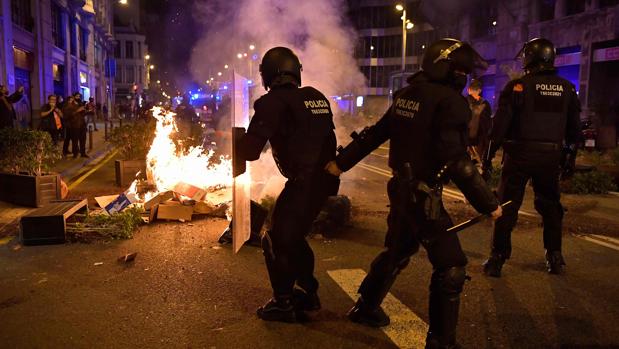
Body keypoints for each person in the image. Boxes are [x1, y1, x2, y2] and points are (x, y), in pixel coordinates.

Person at [325, 38, 502, 348]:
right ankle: (440, 342)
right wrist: (489, 204)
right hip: (423, 196)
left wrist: (340, 164)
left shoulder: (408, 95)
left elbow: (374, 135)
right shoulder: (450, 103)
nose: (465, 78)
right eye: (461, 71)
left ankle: (365, 306)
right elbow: (458, 163)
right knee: (451, 267)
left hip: (401, 189)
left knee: (398, 250)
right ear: (446, 69)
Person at [234, 47, 340, 323]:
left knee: (274, 238)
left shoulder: (272, 102)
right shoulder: (316, 97)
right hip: (325, 181)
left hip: (303, 183)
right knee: (293, 237)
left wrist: (237, 140)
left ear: (269, 74)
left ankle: (283, 303)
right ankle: (308, 292)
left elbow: (250, 151)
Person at [481, 38, 581, 277]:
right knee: (551, 208)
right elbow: (574, 131)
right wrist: (569, 160)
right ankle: (555, 257)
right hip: (550, 157)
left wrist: (487, 157)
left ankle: (497, 258)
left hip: (519, 156)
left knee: (507, 207)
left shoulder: (518, 87)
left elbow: (500, 127)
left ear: (530, 58)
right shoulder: (567, 89)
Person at [466, 79, 492, 170]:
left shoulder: (464, 102)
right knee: (477, 162)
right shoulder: (485, 104)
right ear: (479, 90)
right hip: (479, 140)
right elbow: (487, 124)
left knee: (464, 161)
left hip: (464, 138)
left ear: (468, 89)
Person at [63, 93, 88, 158]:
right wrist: (77, 111)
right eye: (77, 96)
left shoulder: (81, 104)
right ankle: (75, 154)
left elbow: (83, 114)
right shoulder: (70, 105)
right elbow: (67, 115)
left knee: (83, 140)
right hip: (74, 125)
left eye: (79, 96)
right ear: (74, 97)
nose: (78, 97)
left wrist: (86, 111)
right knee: (75, 140)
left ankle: (83, 153)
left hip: (82, 124)